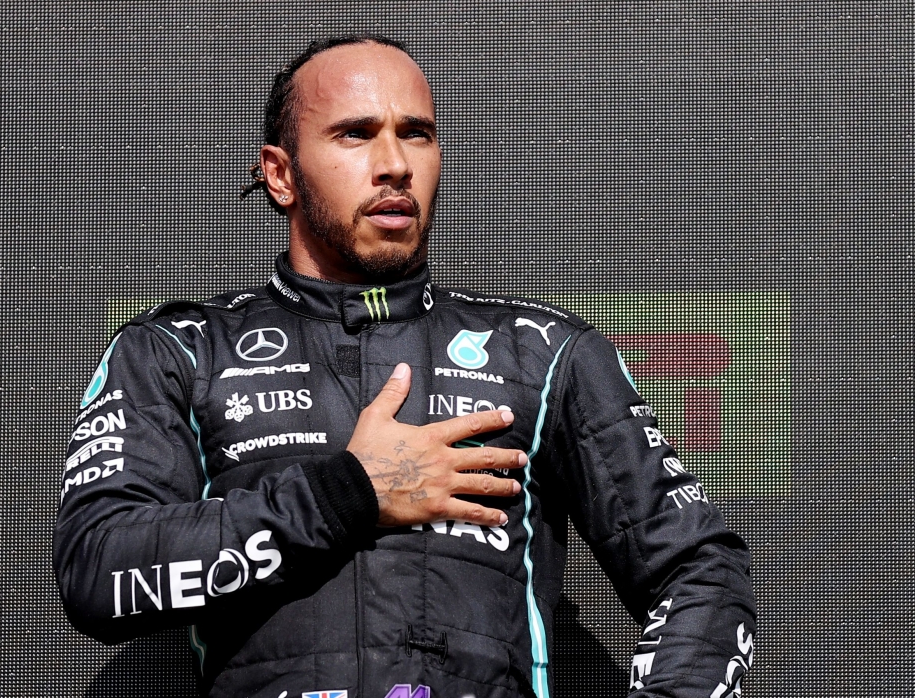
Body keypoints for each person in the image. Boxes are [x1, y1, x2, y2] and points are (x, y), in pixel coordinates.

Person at [54, 34, 756, 698]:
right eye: (355, 134)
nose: (395, 163)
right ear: (279, 174)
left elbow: (702, 570)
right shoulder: (179, 350)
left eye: (415, 132)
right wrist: (347, 494)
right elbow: (97, 571)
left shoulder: (543, 349)